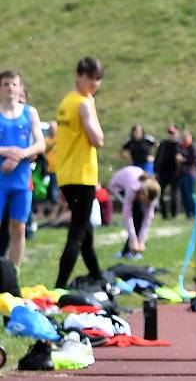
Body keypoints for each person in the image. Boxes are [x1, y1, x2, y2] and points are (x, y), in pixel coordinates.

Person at [53, 57, 105, 289]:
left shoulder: (66, 101)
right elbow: (98, 139)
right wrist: (92, 109)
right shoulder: (83, 103)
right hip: (82, 176)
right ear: (78, 75)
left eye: (98, 78)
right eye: (91, 78)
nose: (95, 83)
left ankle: (97, 275)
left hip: (66, 174)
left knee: (86, 230)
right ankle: (59, 286)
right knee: (77, 233)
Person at [0, 71, 45, 269]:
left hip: (21, 181)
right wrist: (6, 151)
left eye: (14, 84)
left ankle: (13, 275)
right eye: (5, 84)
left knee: (18, 227)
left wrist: (21, 154)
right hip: (1, 180)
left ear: (20, 88)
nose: (10, 87)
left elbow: (40, 144)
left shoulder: (29, 112)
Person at [109, 165, 160, 259]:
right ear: (141, 194)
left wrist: (142, 241)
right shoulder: (132, 187)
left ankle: (129, 251)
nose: (147, 204)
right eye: (145, 201)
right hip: (118, 187)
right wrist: (133, 240)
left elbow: (148, 218)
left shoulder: (153, 188)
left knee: (141, 214)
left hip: (136, 185)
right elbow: (127, 215)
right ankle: (128, 251)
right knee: (137, 213)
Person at [154, 125, 180, 219]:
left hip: (175, 174)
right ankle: (164, 214)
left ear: (177, 133)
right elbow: (158, 157)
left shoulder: (180, 145)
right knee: (160, 194)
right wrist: (156, 170)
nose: (171, 135)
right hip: (163, 173)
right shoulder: (163, 144)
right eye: (170, 133)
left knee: (174, 195)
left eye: (173, 133)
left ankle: (174, 214)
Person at [176, 129, 196, 218]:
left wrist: (182, 159)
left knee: (191, 194)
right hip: (181, 174)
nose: (185, 138)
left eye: (186, 136)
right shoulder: (180, 147)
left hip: (190, 174)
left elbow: (194, 160)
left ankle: (194, 212)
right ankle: (188, 214)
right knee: (184, 195)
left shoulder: (193, 147)